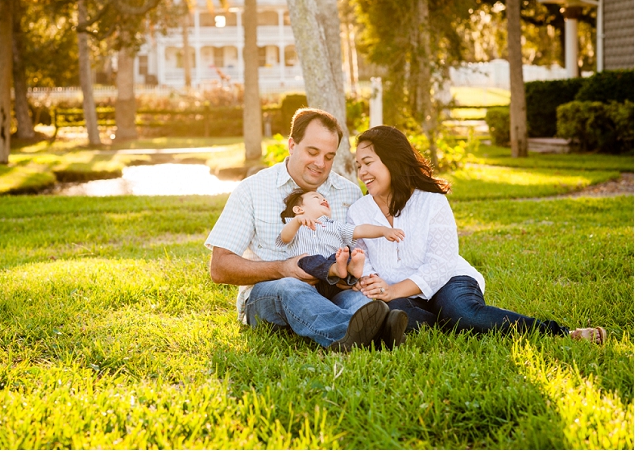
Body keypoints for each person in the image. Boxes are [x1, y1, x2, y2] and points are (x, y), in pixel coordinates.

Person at [347, 125, 606, 345]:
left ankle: (561, 334)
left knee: (462, 314)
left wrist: (393, 290)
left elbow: (441, 264)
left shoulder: (430, 201)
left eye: (368, 163)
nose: (362, 173)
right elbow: (363, 259)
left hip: (448, 281)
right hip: (400, 296)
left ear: (392, 160)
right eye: (358, 166)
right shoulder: (359, 211)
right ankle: (446, 322)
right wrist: (376, 284)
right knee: (392, 314)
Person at [205, 108, 408, 352]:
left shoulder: (349, 192)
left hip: (330, 292)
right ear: (292, 145)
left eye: (329, 156)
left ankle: (365, 330)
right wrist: (282, 269)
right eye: (313, 152)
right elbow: (219, 268)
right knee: (291, 286)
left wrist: (353, 276)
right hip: (272, 293)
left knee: (362, 301)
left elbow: (359, 247)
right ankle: (360, 334)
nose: (321, 164)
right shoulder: (252, 190)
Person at [276, 187, 405, 298]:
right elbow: (285, 238)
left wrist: (383, 230)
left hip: (336, 283)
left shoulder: (335, 226)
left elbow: (360, 229)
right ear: (298, 210)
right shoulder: (295, 227)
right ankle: (338, 268)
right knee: (304, 260)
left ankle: (350, 268)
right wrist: (297, 221)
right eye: (316, 197)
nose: (324, 200)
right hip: (309, 281)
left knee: (343, 255)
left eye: (324, 198)